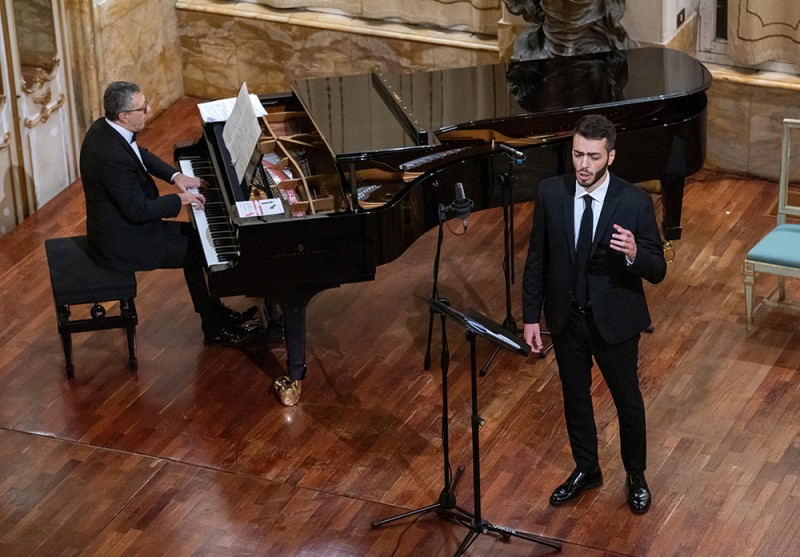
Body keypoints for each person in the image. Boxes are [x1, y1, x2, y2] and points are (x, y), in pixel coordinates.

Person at [521, 114, 666, 514]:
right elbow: (538, 259)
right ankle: (587, 468)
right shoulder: (551, 193)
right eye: (578, 154)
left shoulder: (634, 201)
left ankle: (635, 475)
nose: (583, 165)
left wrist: (635, 253)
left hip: (615, 322)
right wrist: (531, 317)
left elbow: (658, 269)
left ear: (611, 156)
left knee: (628, 403)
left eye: (593, 156)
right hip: (567, 320)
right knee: (575, 398)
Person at [80, 81, 259, 346]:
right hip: (123, 241)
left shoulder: (105, 129)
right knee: (202, 252)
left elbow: (139, 154)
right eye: (143, 108)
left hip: (124, 226)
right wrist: (179, 199)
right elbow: (138, 210)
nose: (149, 109)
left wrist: (176, 176)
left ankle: (215, 316)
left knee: (199, 243)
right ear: (124, 116)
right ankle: (214, 326)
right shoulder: (110, 156)